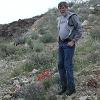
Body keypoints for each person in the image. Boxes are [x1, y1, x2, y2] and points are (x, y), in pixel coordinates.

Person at [57, 1, 83, 96]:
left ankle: (71, 89)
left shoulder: (72, 16)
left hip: (69, 44)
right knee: (60, 65)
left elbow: (80, 29)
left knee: (68, 65)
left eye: (63, 7)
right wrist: (59, 42)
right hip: (61, 44)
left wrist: (73, 41)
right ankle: (64, 87)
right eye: (60, 8)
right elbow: (60, 30)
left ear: (67, 8)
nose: (62, 9)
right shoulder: (60, 18)